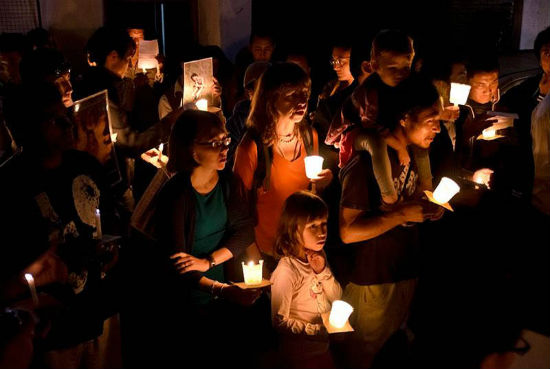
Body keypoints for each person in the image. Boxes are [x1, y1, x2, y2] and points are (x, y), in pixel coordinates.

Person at [339, 76, 444, 368]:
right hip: (372, 281)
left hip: (406, 271)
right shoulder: (367, 160)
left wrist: (430, 209)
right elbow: (347, 232)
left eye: (440, 119)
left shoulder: (415, 153)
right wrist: (399, 214)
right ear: (404, 117)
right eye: (430, 119)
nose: (438, 127)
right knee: (366, 358)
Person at [151, 110, 261, 367]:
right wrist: (221, 289)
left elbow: (244, 231)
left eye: (225, 140)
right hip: (188, 304)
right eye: (214, 143)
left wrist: (209, 261)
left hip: (222, 295)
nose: (224, 148)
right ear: (191, 150)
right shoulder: (176, 195)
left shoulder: (228, 182)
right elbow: (179, 265)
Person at [233, 62, 333, 272]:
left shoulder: (309, 137)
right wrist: (257, 263)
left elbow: (310, 196)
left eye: (304, 93)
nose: (302, 101)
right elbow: (238, 210)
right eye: (291, 95)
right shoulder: (252, 148)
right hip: (268, 254)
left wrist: (324, 182)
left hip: (304, 253)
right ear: (270, 99)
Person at [327, 29, 433, 208]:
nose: (400, 73)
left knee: (417, 133)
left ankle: (427, 187)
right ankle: (390, 198)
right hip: (356, 131)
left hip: (384, 126)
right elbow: (374, 128)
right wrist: (399, 146)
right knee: (376, 142)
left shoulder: (405, 85)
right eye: (392, 68)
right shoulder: (371, 93)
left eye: (405, 67)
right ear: (374, 65)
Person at [271, 191, 342, 369]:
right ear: (294, 229)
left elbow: (336, 297)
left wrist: (322, 271)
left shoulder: (319, 257)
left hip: (323, 351)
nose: (322, 232)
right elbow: (279, 320)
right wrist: (318, 330)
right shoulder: (287, 270)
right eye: (313, 226)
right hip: (299, 357)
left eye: (324, 224)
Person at [225, 61, 270, 172]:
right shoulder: (241, 118)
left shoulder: (284, 113)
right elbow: (229, 156)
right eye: (261, 90)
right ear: (250, 93)